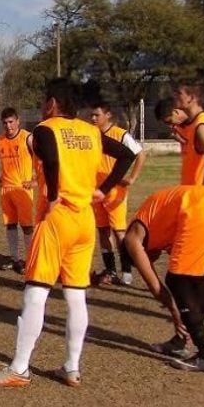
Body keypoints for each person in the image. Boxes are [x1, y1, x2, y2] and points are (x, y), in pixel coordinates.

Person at [0, 78, 134, 388]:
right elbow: (127, 155)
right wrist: (103, 189)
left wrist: (51, 197)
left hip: (56, 219)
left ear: (52, 103)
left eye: (43, 101)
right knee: (76, 296)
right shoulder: (91, 131)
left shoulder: (45, 129)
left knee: (36, 293)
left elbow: (50, 156)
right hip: (84, 221)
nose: (41, 106)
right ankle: (71, 367)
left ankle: (20, 368)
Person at [122, 185, 204, 371]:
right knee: (199, 275)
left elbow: (154, 285)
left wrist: (175, 311)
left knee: (177, 281)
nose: (153, 259)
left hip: (203, 211)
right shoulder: (158, 224)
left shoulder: (132, 238)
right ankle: (179, 342)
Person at [155, 86, 204, 330]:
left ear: (192, 98)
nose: (176, 99)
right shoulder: (190, 125)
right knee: (198, 260)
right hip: (192, 202)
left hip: (203, 204)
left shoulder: (201, 126)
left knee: (201, 261)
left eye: (180, 95)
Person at [89, 101, 147, 286]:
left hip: (115, 191)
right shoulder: (92, 135)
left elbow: (140, 154)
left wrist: (131, 178)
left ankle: (127, 271)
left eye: (97, 115)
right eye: (92, 115)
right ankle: (110, 270)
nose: (93, 118)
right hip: (97, 190)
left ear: (108, 115)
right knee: (103, 231)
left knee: (119, 232)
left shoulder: (120, 134)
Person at [0, 107, 34, 274]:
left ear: (18, 121)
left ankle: (30, 260)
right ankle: (15, 259)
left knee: (27, 226)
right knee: (10, 225)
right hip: (6, 189)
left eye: (11, 122)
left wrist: (35, 180)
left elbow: (42, 159)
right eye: (5, 123)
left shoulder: (27, 138)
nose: (8, 126)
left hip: (22, 189)